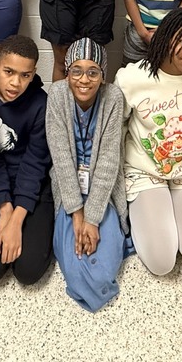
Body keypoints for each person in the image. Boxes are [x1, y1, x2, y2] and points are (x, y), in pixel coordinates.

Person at [114, 9, 182, 278]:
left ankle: (176, 206)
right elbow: (117, 131)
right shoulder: (131, 79)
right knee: (162, 263)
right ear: (164, 36)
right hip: (144, 172)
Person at [45, 39, 127, 312]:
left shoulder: (113, 97)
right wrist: (78, 215)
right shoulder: (56, 94)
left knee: (106, 257)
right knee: (72, 260)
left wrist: (92, 219)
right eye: (76, 70)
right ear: (66, 72)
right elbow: (61, 159)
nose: (84, 79)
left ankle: (98, 275)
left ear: (103, 76)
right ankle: (83, 278)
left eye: (93, 71)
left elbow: (108, 162)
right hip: (68, 189)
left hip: (103, 190)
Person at [0, 35, 54, 286]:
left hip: (33, 185)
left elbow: (36, 163)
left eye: (25, 75)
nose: (15, 83)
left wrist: (17, 218)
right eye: (9, 71)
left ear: (33, 75)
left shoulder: (41, 104)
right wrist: (4, 207)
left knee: (28, 272)